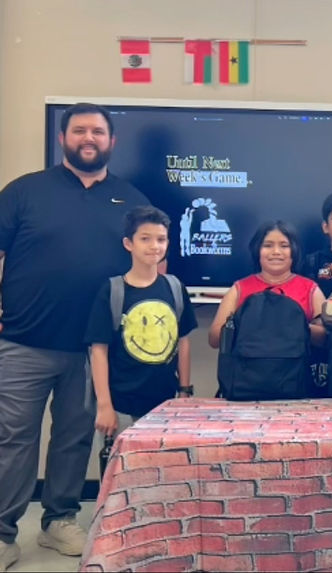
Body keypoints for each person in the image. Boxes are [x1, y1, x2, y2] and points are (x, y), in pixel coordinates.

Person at [0, 102, 150, 566]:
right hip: (24, 340)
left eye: (98, 132)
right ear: (62, 138)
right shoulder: (23, 191)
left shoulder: (134, 200)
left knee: (74, 436)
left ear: (112, 142)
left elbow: (149, 269)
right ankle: (3, 533)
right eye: (80, 130)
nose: (89, 138)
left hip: (94, 349)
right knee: (13, 437)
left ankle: (59, 519)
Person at [85, 207, 197, 442]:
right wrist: (104, 406)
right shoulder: (113, 291)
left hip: (165, 404)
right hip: (121, 405)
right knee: (121, 474)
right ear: (129, 243)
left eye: (161, 239)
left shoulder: (175, 287)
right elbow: (98, 351)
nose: (154, 246)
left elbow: (183, 342)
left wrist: (185, 391)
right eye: (145, 239)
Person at [208, 221, 327, 349]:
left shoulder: (310, 289)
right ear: (257, 250)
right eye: (268, 245)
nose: (276, 251)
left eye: (284, 245)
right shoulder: (239, 289)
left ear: (294, 250)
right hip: (247, 367)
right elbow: (214, 339)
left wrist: (295, 326)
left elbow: (325, 338)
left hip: (296, 367)